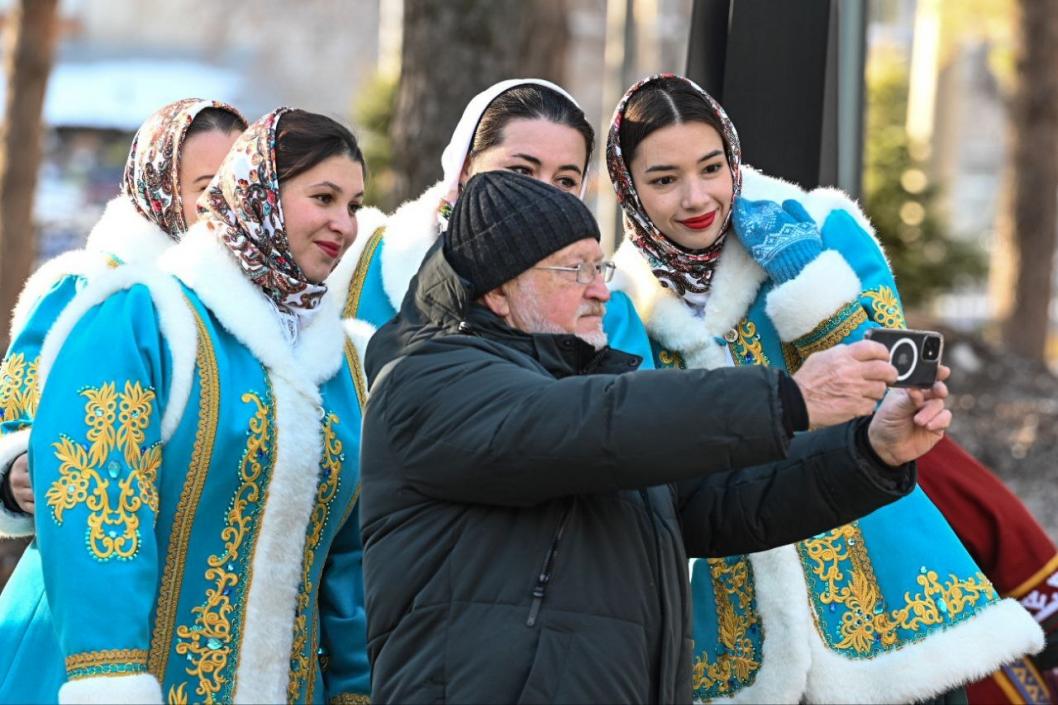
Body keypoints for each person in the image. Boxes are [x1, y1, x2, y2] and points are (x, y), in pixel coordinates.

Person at [358, 169, 954, 704]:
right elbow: (581, 423)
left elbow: (722, 499)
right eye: (574, 269)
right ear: (498, 292)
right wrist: (787, 399)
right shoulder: (427, 379)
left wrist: (871, 451)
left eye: (600, 266)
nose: (600, 288)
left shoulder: (591, 407)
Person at [605, 73, 1044, 704]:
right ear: (630, 188)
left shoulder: (818, 225)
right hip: (734, 626)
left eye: (711, 167)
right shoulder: (623, 301)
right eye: (664, 179)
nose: (697, 197)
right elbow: (651, 450)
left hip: (885, 595)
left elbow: (903, 377)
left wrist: (805, 277)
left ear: (733, 159)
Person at [0, 108, 371, 704]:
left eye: (353, 204)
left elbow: (349, 558)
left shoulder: (338, 362)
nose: (345, 224)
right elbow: (99, 502)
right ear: (257, 196)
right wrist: (111, 679)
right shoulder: (140, 314)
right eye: (323, 197)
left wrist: (356, 688)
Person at [0, 98, 247, 535]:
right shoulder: (91, 288)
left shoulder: (261, 308)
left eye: (239, 187)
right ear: (160, 188)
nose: (226, 207)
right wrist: (16, 467)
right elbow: (15, 417)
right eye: (207, 189)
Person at [328, 78, 653, 364]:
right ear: (465, 169)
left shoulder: (607, 306)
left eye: (565, 181)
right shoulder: (365, 265)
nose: (541, 196)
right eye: (521, 172)